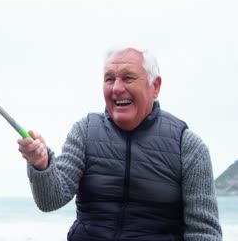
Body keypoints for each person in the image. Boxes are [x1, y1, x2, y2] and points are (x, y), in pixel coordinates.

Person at [17, 47, 222, 241]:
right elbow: (50, 199)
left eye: (128, 78)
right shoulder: (84, 132)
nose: (116, 88)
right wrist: (41, 164)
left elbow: (204, 232)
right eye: (109, 79)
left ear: (155, 86)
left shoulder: (187, 146)